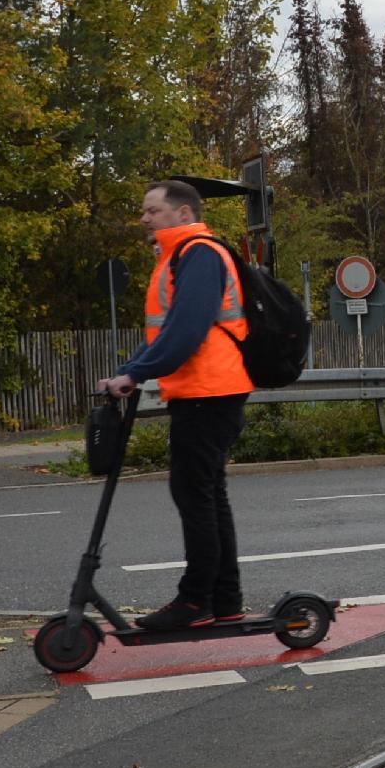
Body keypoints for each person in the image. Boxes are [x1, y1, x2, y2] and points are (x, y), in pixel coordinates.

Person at [99, 180, 254, 632]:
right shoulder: (178, 257)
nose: (144, 218)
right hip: (204, 391)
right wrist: (130, 369)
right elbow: (166, 332)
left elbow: (187, 331)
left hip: (210, 391)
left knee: (194, 494)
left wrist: (135, 375)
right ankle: (224, 600)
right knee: (207, 494)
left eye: (153, 210)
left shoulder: (199, 254)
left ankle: (195, 601)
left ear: (183, 214)